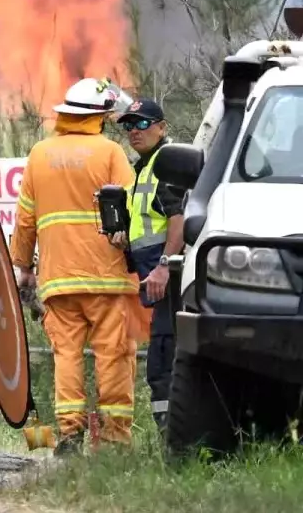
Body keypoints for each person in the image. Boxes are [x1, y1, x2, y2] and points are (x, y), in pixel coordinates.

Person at [9, 78, 139, 456]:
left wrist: (23, 267)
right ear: (99, 115)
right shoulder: (110, 153)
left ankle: (69, 434)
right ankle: (115, 439)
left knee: (66, 357)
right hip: (108, 277)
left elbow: (26, 220)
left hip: (58, 278)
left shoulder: (39, 154)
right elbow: (130, 212)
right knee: (113, 355)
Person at [117, 98, 184, 434]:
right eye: (129, 125)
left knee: (163, 363)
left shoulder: (166, 166)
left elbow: (179, 218)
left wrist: (163, 266)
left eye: (143, 124)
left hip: (172, 283)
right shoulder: (143, 168)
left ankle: (175, 441)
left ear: (162, 127)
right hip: (158, 283)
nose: (134, 131)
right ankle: (170, 440)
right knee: (161, 362)